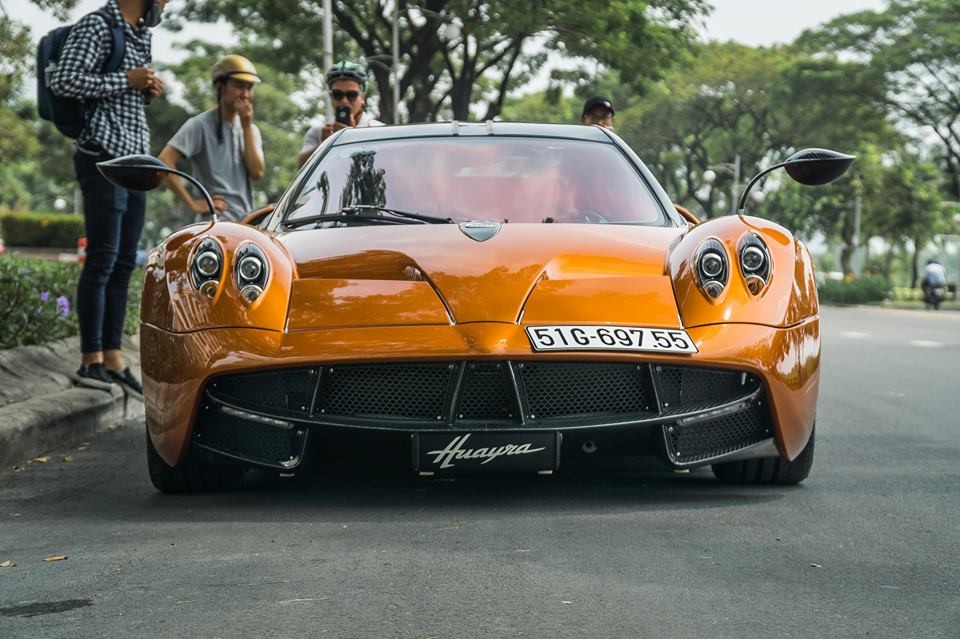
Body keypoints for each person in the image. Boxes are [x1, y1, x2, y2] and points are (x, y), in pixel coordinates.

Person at [49, 0, 168, 398]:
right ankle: (90, 359)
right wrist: (125, 80)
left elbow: (126, 93)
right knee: (101, 258)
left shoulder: (141, 34)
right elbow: (63, 80)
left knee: (122, 262)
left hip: (135, 161)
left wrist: (145, 90)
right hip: (102, 157)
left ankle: (114, 357)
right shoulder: (98, 26)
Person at [158, 55, 265, 220]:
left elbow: (257, 173)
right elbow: (165, 161)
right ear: (220, 86)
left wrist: (246, 126)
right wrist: (193, 204)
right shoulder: (199, 125)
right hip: (213, 223)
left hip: (244, 222)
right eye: (239, 86)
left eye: (249, 88)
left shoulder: (251, 129)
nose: (245, 94)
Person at [297, 61, 384, 167]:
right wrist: (325, 144)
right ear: (331, 97)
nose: (344, 101)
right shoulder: (318, 133)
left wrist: (354, 136)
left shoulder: (379, 131)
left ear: (362, 98)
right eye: (337, 94)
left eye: (351, 95)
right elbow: (302, 166)